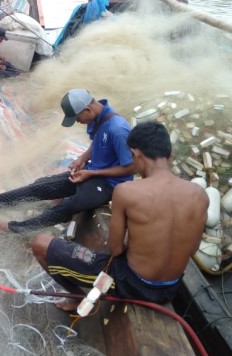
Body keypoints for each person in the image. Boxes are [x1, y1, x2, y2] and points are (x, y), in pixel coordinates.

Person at [31, 122, 208, 310]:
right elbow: (192, 248)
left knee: (40, 244)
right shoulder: (200, 195)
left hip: (133, 284)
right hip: (170, 288)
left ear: (135, 153)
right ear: (170, 153)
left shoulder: (127, 191)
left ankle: (77, 299)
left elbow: (115, 249)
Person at [0, 88, 134, 232]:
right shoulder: (100, 119)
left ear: (87, 110)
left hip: (109, 184)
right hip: (91, 172)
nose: (77, 121)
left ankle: (15, 228)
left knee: (69, 206)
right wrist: (82, 159)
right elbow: (99, 142)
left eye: (77, 118)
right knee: (42, 185)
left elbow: (131, 167)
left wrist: (91, 173)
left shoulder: (118, 129)